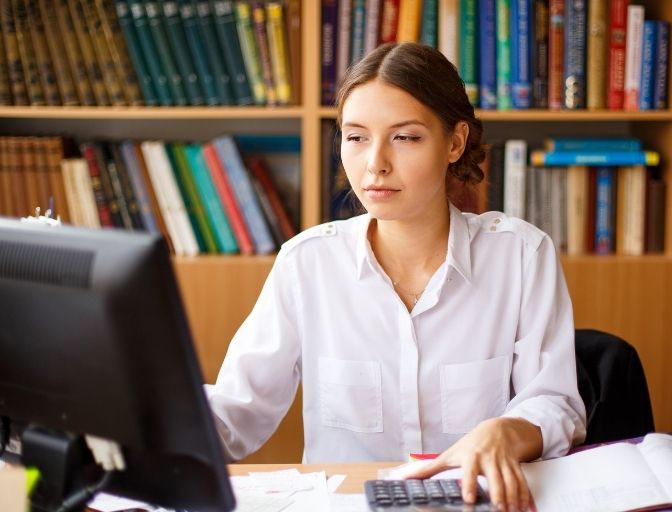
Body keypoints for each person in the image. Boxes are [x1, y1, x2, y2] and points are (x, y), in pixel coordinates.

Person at [206, 42, 586, 511]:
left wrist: (508, 430)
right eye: (356, 137)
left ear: (454, 142)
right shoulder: (307, 263)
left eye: (405, 137)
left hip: (474, 501)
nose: (375, 164)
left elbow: (556, 403)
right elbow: (235, 413)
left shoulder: (521, 256)